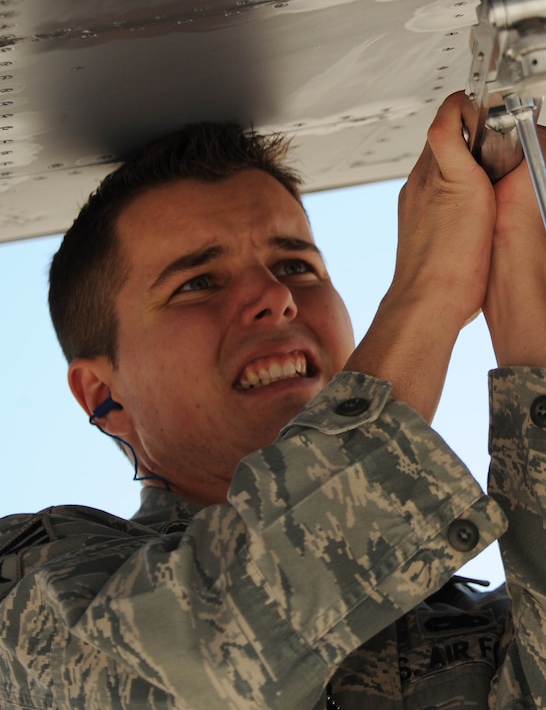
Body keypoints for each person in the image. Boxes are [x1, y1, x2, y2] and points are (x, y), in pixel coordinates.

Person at [0, 91, 545, 708]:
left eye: (295, 267)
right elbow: (198, 674)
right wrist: (429, 291)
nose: (276, 297)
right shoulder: (33, 595)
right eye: (198, 283)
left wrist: (527, 313)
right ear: (104, 394)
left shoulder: (481, 628)